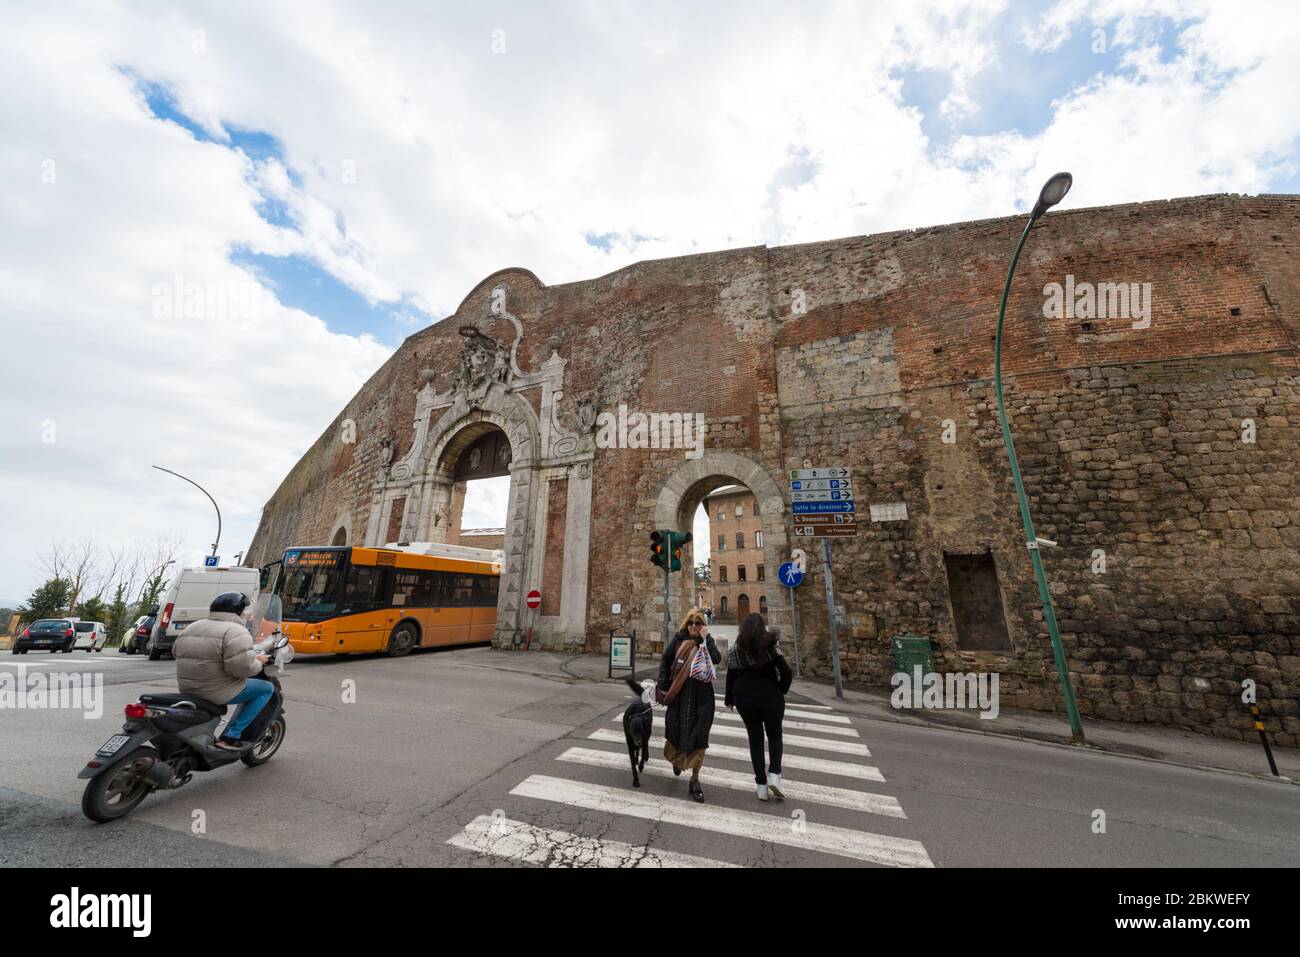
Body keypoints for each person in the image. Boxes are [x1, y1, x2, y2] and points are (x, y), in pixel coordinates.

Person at [173, 591, 271, 751]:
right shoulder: (237, 631)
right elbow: (242, 669)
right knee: (266, 688)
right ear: (240, 611)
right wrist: (259, 662)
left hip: (187, 689)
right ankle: (231, 736)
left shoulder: (193, 626)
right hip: (216, 692)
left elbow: (175, 651)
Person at [724, 613, 793, 801]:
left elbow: (731, 676)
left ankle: (761, 786)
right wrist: (781, 690)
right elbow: (786, 672)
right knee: (775, 735)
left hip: (744, 698)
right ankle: (775, 776)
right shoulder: (771, 646)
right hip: (770, 698)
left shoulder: (736, 649)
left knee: (755, 740)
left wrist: (729, 699)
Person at [656, 607, 721, 802]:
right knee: (674, 733)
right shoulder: (678, 641)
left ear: (702, 625)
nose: (694, 626)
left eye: (698, 623)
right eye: (691, 622)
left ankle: (695, 780)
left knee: (699, 739)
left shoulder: (705, 643)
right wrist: (664, 685)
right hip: (680, 697)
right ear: (687, 624)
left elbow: (717, 659)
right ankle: (677, 761)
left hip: (702, 700)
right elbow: (665, 660)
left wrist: (707, 638)